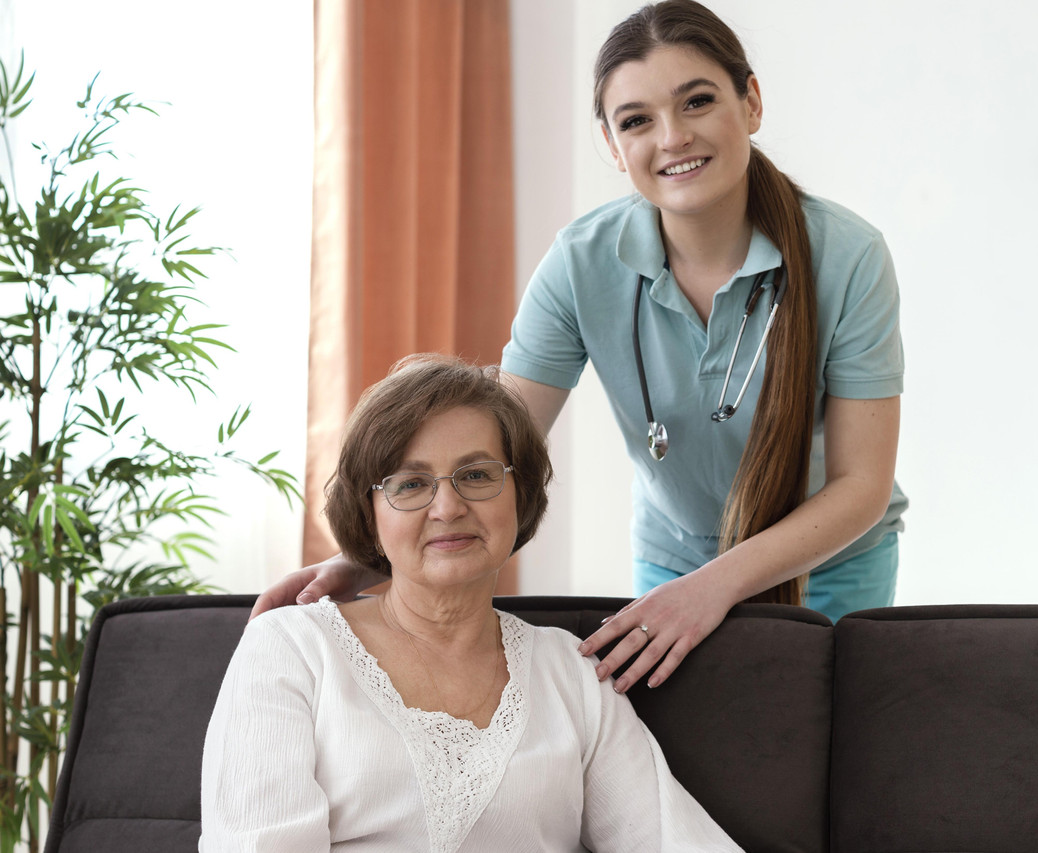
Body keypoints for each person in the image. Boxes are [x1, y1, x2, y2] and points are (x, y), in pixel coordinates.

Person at [253, 0, 905, 697]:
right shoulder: (581, 262)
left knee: (823, 750)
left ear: (751, 102)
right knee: (680, 755)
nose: (673, 137)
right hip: (674, 561)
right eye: (637, 120)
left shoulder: (847, 256)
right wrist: (373, 556)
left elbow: (860, 486)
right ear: (612, 144)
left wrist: (714, 588)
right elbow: (495, 439)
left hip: (831, 561)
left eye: (697, 101)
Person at [201, 354, 741, 851]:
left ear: (521, 495)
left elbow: (674, 841)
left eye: (477, 475)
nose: (447, 507)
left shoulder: (571, 671)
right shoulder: (291, 648)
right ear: (369, 514)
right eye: (410, 484)